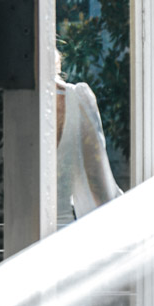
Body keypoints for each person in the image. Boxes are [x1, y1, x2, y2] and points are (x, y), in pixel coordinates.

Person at [56, 53, 122, 226]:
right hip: (60, 239)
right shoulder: (74, 99)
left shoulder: (12, 101)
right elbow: (99, 187)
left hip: (16, 238)